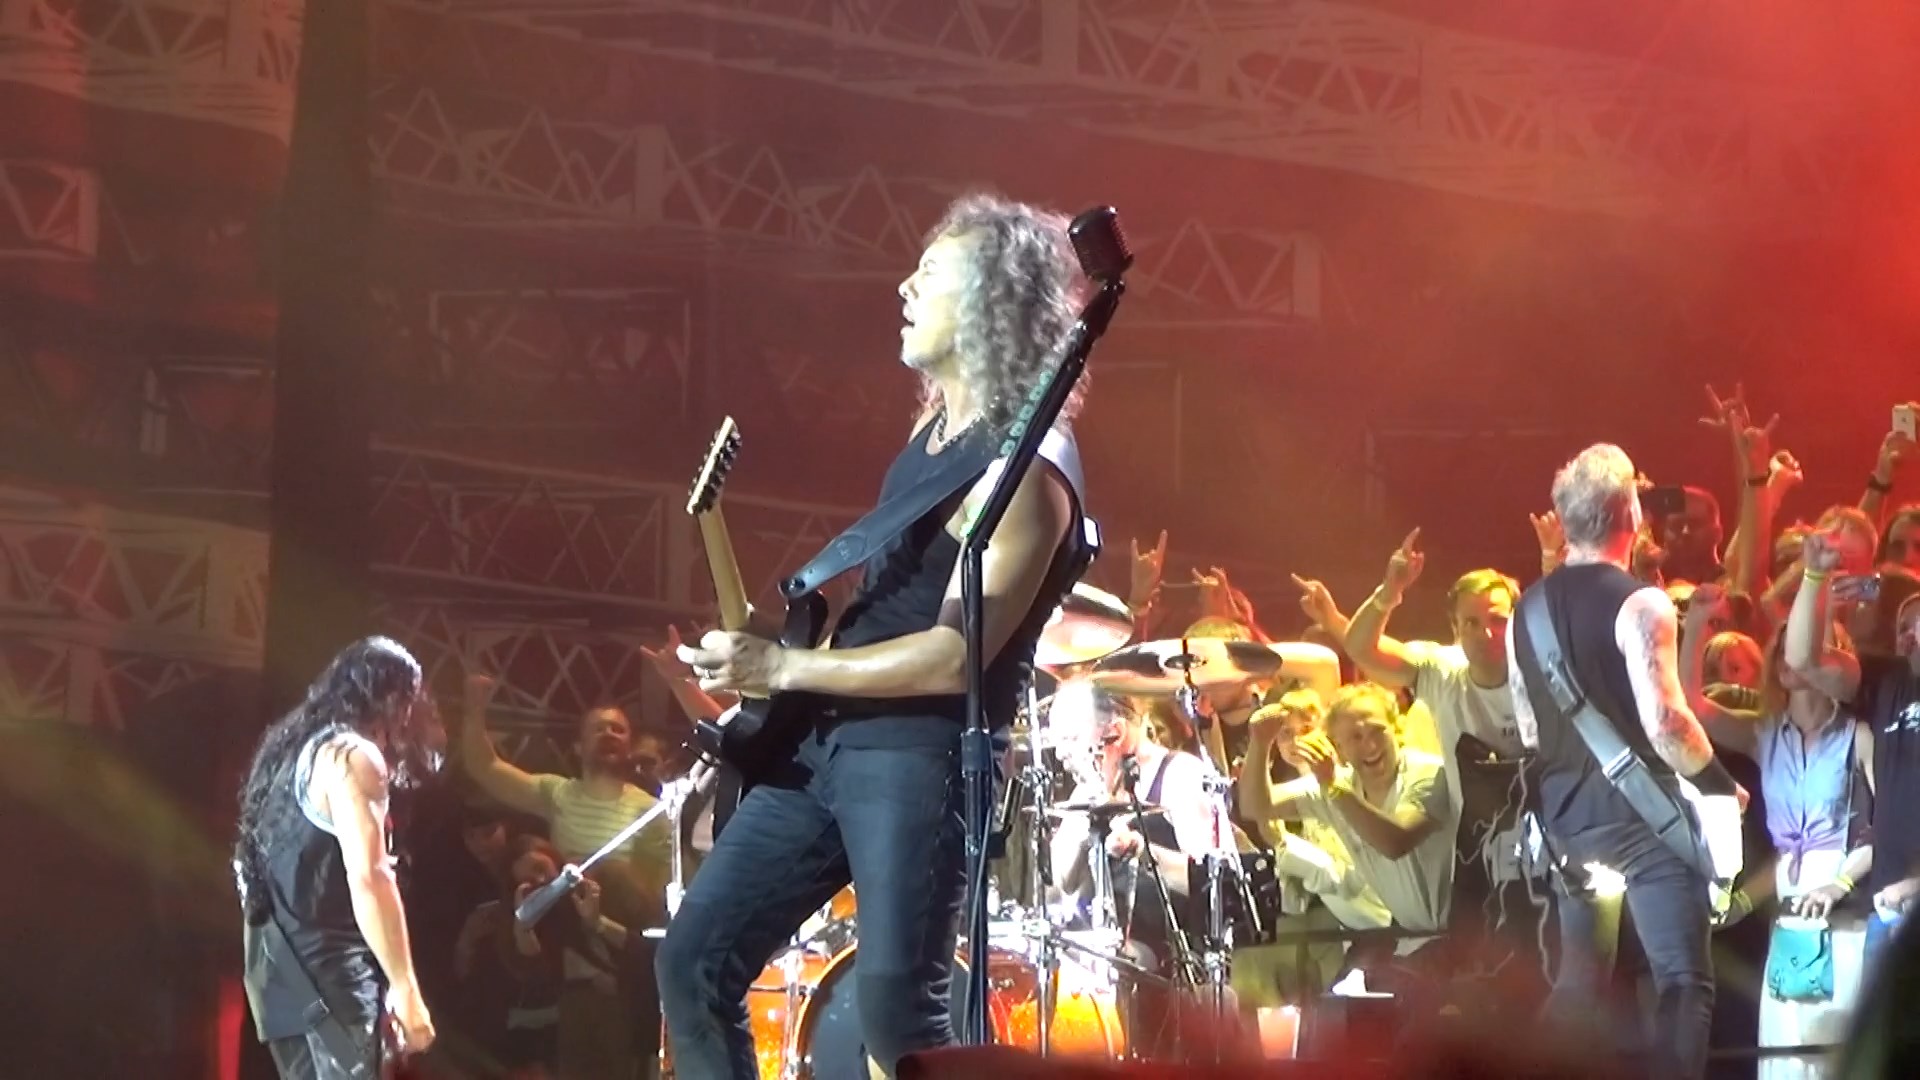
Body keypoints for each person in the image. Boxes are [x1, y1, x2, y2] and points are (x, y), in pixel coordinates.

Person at [663, 192, 1090, 1079]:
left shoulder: (1029, 473)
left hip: (916, 758)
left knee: (903, 1022)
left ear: (990, 299)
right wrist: (773, 657)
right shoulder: (933, 437)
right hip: (829, 744)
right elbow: (888, 615)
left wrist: (786, 666)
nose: (903, 287)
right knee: (692, 962)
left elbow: (953, 654)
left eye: (929, 274)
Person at [1507, 443, 1738, 1079]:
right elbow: (1666, 724)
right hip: (1643, 824)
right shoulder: (1643, 603)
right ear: (1632, 514)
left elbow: (1528, 727)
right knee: (1682, 980)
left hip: (1568, 823)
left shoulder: (1524, 611)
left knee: (1579, 984)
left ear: (1565, 519)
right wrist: (1718, 785)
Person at [234, 637, 440, 1079]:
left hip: (278, 972)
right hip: (334, 977)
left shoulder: (286, 755)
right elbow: (370, 877)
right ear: (395, 699)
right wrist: (405, 988)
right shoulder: (352, 757)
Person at [459, 676, 670, 1080]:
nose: (609, 733)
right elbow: (485, 767)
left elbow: (658, 897)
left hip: (619, 958)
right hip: (569, 957)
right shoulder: (559, 793)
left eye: (618, 728)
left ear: (629, 746)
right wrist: (474, 707)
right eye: (598, 728)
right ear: (578, 747)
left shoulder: (651, 811)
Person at [1786, 530, 1920, 971]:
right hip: (1889, 908)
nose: (1909, 636)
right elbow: (1803, 660)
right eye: (1903, 628)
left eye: (1919, 624)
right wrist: (1813, 577)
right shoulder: (1889, 682)